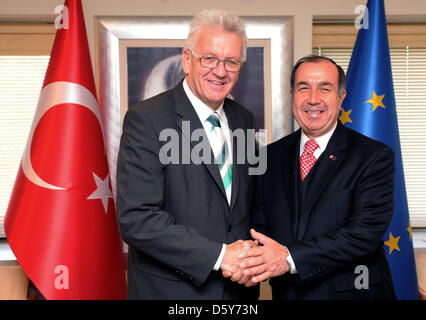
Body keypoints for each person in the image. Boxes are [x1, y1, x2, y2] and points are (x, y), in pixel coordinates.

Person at [116, 9, 258, 299]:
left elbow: (246, 207)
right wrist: (222, 256)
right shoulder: (147, 119)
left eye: (231, 62)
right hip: (173, 293)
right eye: (210, 59)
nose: (220, 71)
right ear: (186, 60)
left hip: (237, 293)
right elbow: (138, 219)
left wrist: (252, 258)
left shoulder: (243, 119)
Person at [233, 55, 396, 299]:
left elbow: (363, 234)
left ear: (341, 97)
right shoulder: (267, 158)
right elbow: (259, 229)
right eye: (303, 88)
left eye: (325, 88)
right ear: (292, 95)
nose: (312, 99)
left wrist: (288, 258)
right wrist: (249, 260)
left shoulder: (374, 157)